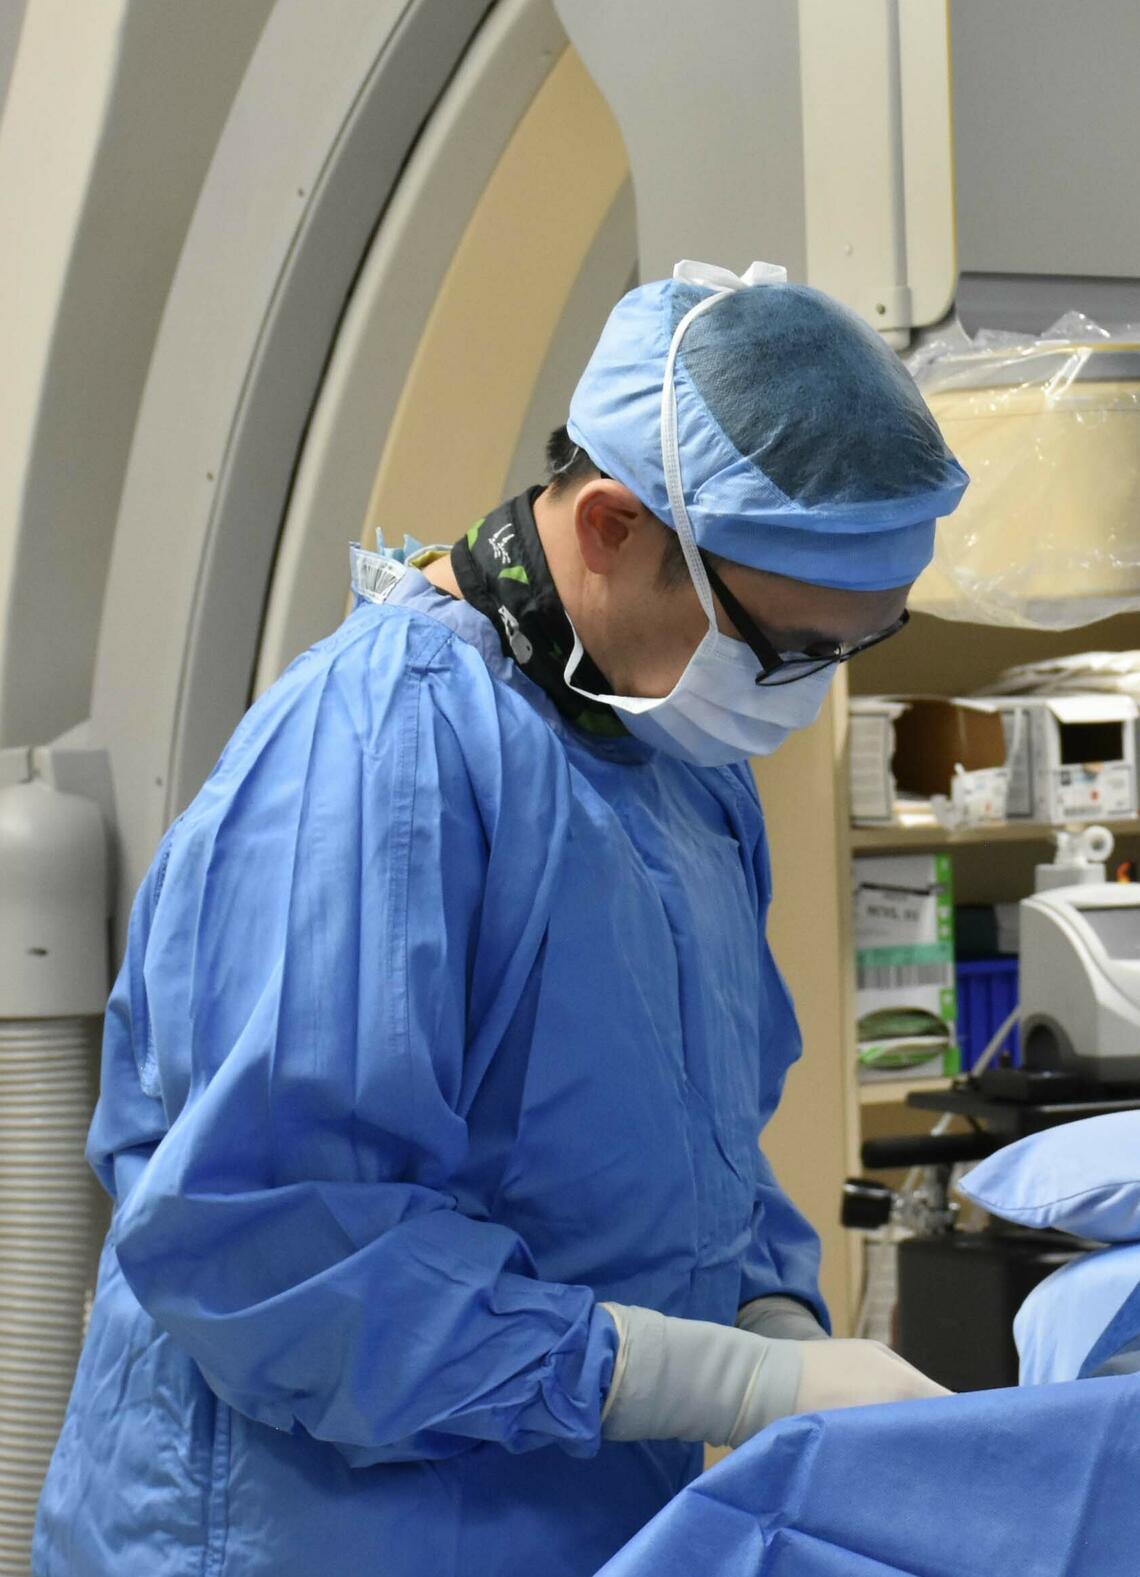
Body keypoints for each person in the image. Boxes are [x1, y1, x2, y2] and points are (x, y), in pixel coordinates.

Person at [34, 260, 969, 1577]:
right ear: (610, 529)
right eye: (785, 646)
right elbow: (277, 1258)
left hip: (577, 1516)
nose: (800, 697)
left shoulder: (676, 761)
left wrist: (770, 1317)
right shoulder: (373, 762)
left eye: (850, 649)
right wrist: (713, 1379)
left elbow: (700, 1143)